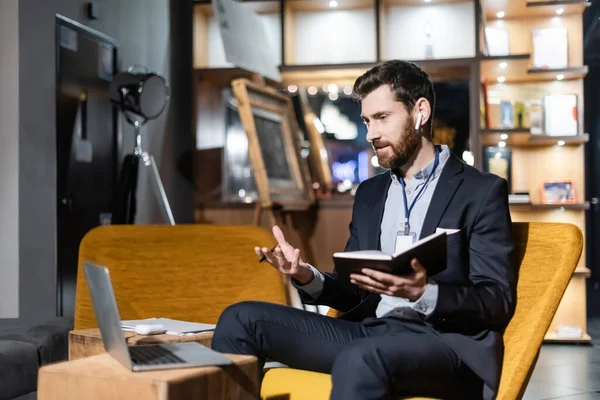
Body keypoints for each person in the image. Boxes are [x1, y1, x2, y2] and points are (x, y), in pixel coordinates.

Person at [212, 60, 517, 400]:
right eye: (367, 121)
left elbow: (496, 300)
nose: (371, 134)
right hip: (373, 332)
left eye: (382, 118)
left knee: (360, 359)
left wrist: (424, 291)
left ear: (420, 112)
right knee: (240, 318)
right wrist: (304, 275)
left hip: (444, 343)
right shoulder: (371, 194)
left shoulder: (480, 191)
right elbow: (355, 292)